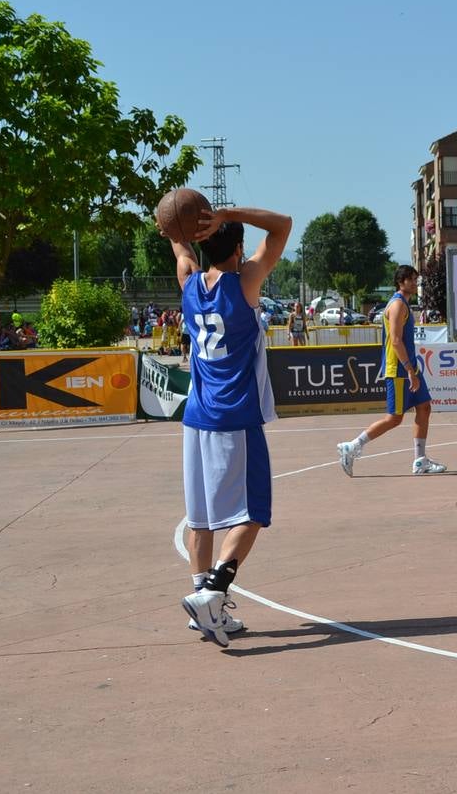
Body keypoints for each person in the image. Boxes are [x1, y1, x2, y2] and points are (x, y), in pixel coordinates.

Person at [164, 202, 291, 647]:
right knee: (253, 513)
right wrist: (223, 212)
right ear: (238, 248)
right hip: (235, 417)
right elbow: (282, 227)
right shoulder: (245, 285)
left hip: (196, 419)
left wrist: (179, 228)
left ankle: (206, 608)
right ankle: (215, 592)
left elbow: (179, 248)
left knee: (201, 520)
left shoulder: (189, 283)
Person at [336, 265, 446, 476]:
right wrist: (409, 371)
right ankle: (352, 446)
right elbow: (395, 341)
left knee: (424, 407)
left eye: (415, 279)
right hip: (399, 369)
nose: (415, 283)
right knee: (394, 418)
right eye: (411, 279)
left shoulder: (404, 303)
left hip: (410, 367)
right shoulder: (397, 305)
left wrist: (413, 369)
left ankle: (420, 460)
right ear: (400, 282)